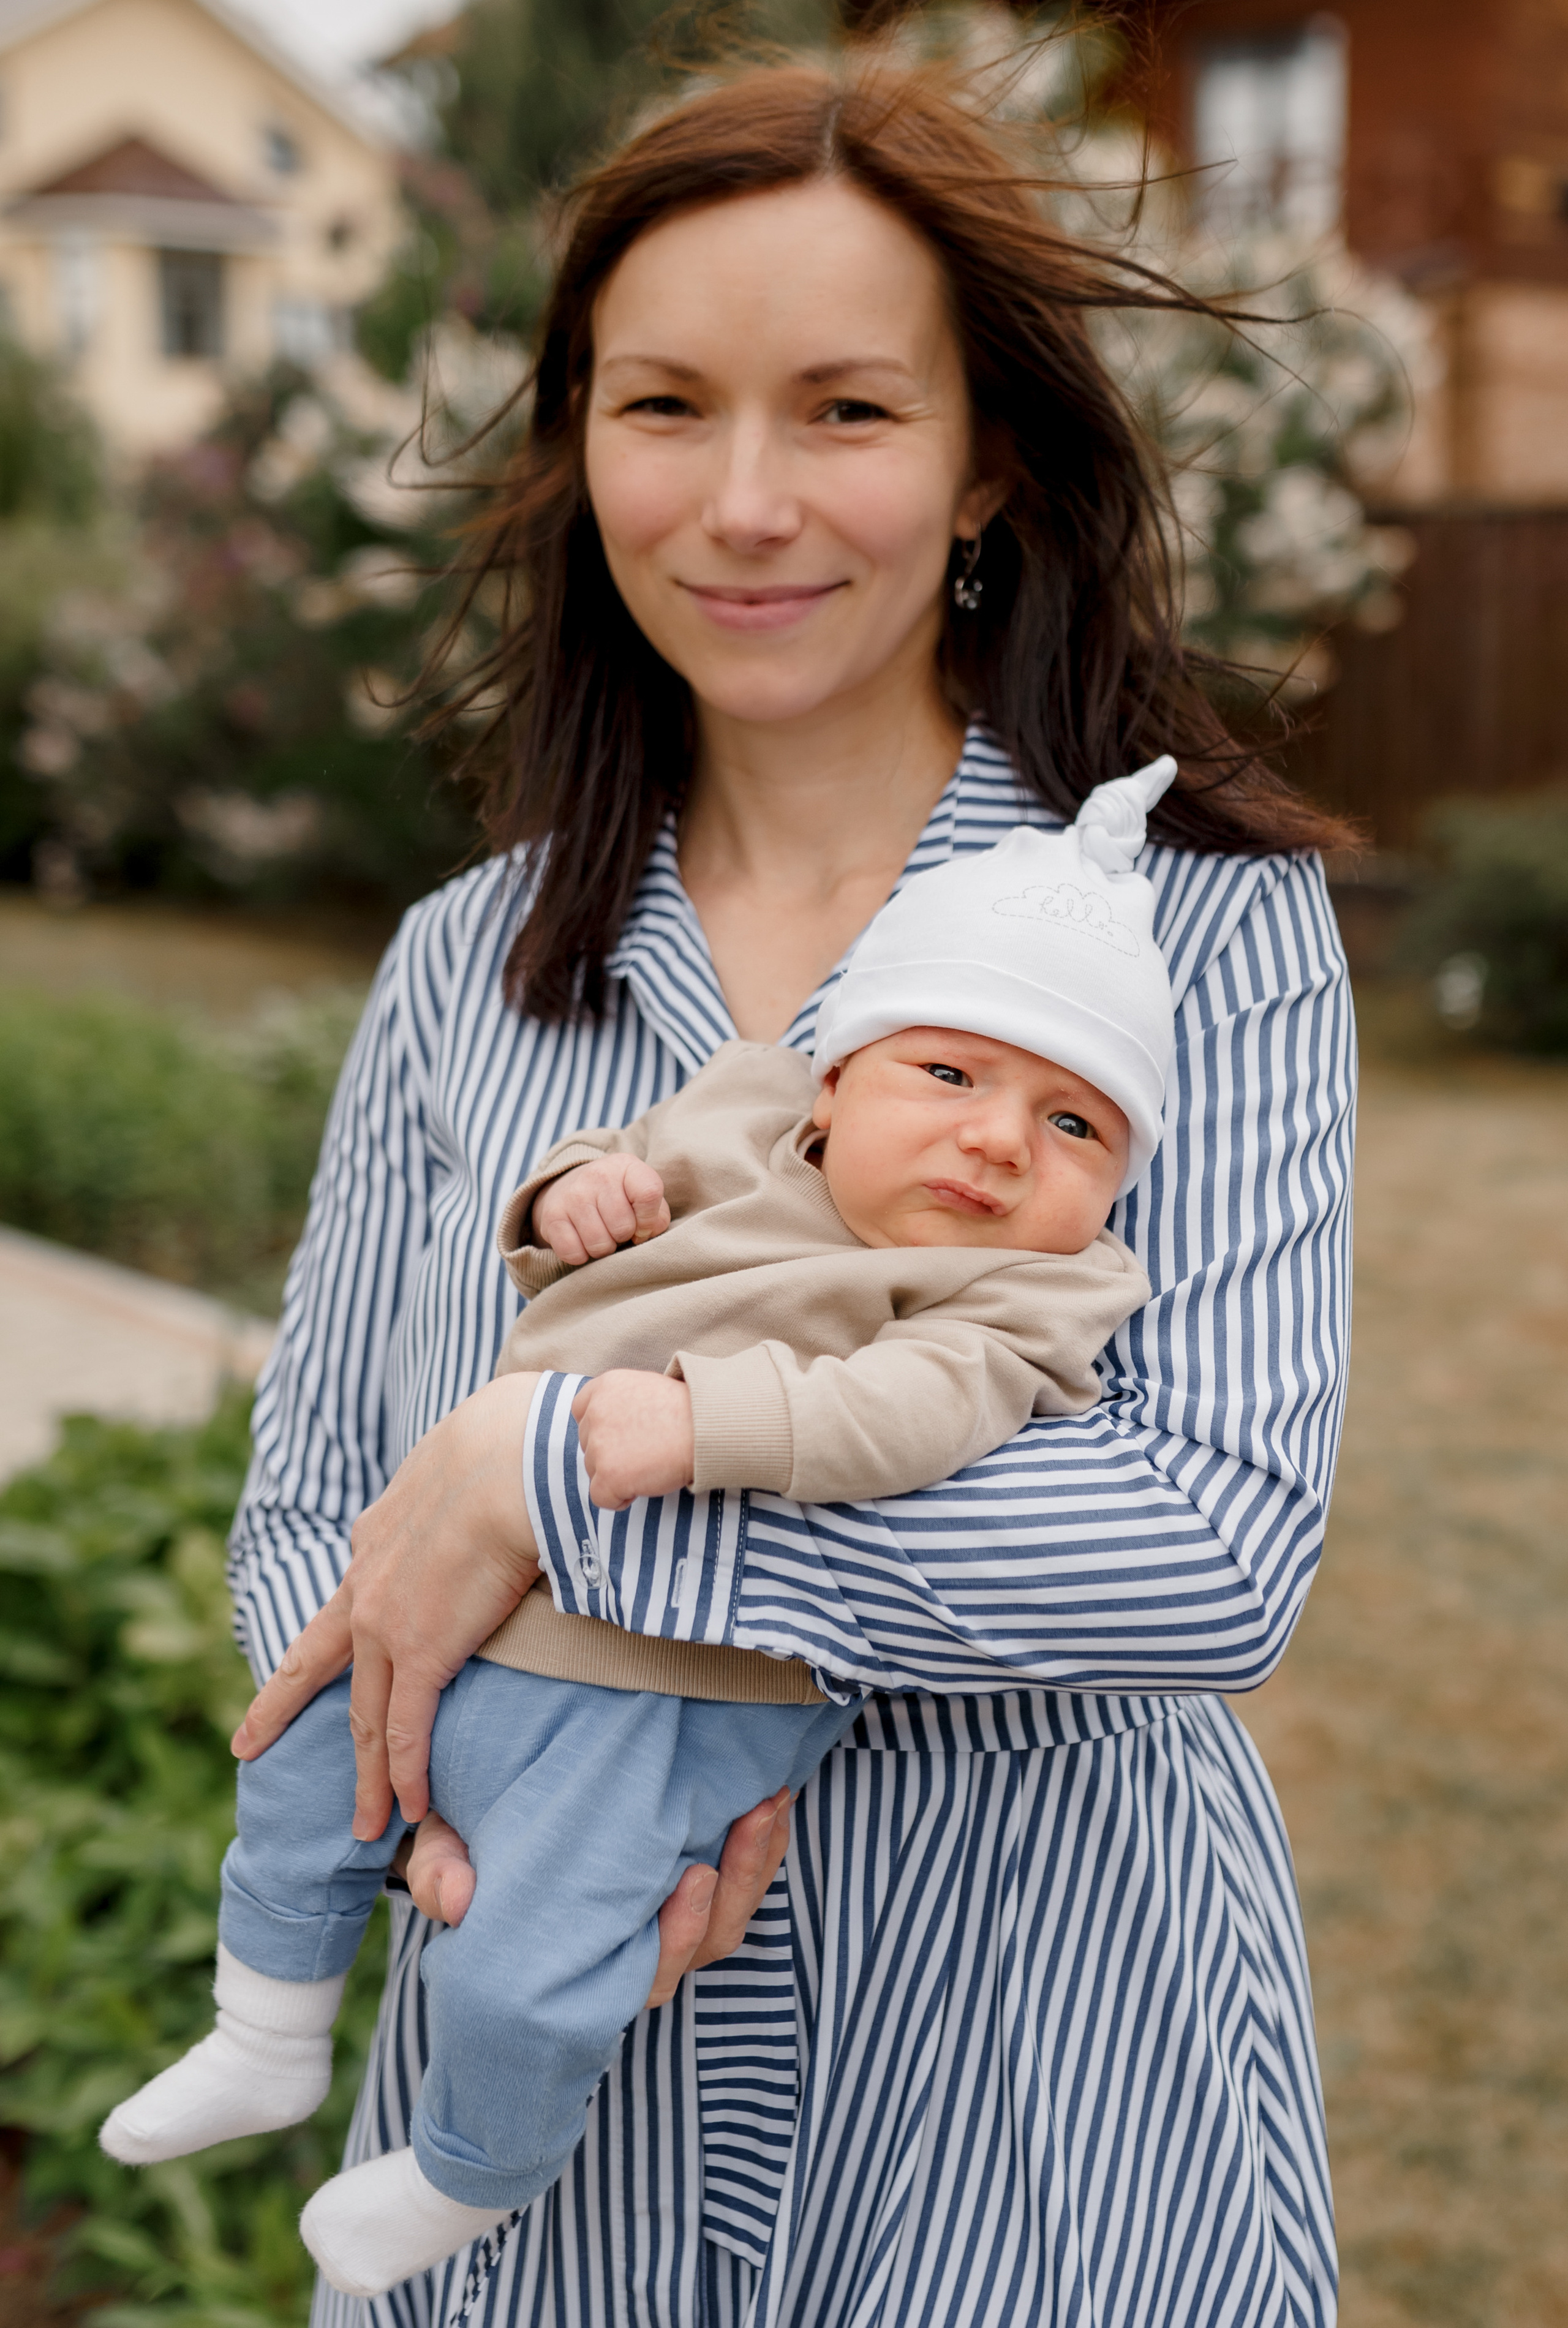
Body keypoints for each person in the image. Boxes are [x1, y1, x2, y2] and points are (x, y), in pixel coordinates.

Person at [216, 54, 1354, 2328]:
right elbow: (316, 1514)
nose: (744, 503)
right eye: (665, 407)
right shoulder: (470, 964)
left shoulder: (1198, 934)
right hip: (539, 2126)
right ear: (581, 451)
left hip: (1039, 2093)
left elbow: (1213, 1546)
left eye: (844, 411)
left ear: (982, 464)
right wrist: (451, 1828)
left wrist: (570, 1485)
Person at [100, 775, 1169, 2299]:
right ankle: (263, 2034)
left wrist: (686, 1424)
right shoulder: (736, 1111)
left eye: (1075, 1123)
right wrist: (575, 1191)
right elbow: (570, 1200)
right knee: (293, 1759)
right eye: (947, 1070)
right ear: (831, 1081)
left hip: (671, 1686)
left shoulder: (1025, 1291)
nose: (999, 1139)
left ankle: (473, 2169)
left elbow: (912, 1418)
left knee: (539, 1961)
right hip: (462, 1616)